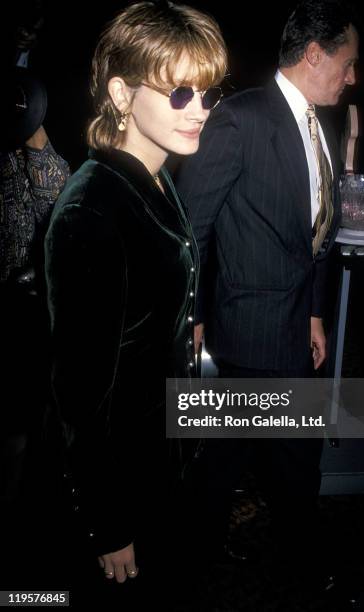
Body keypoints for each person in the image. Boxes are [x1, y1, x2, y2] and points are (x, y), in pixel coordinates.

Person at [44, 0, 227, 601]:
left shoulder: (153, 177)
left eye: (207, 94)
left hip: (160, 458)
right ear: (121, 95)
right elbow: (78, 395)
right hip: (122, 481)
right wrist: (106, 523)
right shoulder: (90, 209)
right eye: (179, 94)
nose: (198, 111)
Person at [176, 0, 358, 589]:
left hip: (290, 323)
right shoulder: (242, 118)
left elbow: (313, 236)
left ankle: (198, 559)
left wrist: (313, 313)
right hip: (250, 329)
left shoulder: (316, 124)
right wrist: (194, 318)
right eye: (347, 63)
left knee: (238, 456)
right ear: (314, 55)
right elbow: (192, 228)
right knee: (286, 457)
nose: (353, 77)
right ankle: (296, 570)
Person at [0, 67, 69, 509]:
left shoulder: (39, 151)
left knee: (25, 433)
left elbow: (61, 205)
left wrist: (35, 138)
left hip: (28, 317)